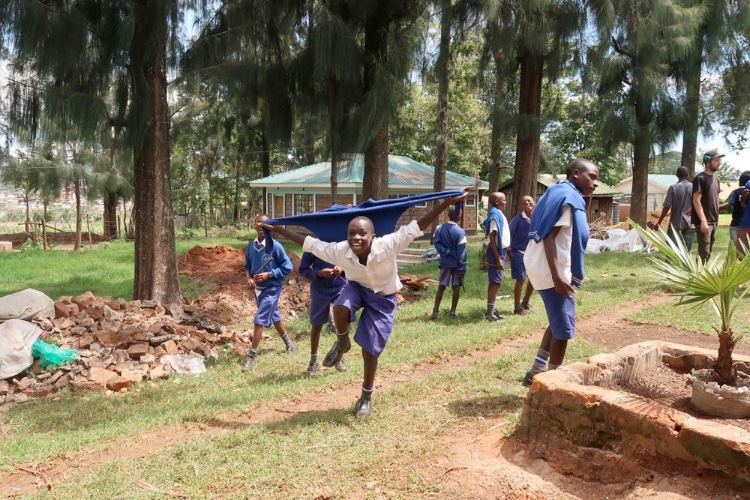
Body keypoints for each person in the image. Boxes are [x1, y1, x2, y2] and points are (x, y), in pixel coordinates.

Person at [265, 189, 469, 419]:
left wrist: (447, 203)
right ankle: (342, 342)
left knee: (370, 349)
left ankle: (366, 396)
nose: (356, 238)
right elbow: (310, 244)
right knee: (341, 306)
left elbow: (418, 225)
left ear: (372, 235)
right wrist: (279, 229)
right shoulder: (341, 250)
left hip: (383, 297)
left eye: (362, 234)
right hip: (358, 289)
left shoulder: (389, 244)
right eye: (352, 233)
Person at [522, 158, 599, 387]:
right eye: (592, 177)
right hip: (552, 271)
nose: (595, 183)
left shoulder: (555, 191)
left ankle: (536, 370)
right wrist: (557, 278)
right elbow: (549, 237)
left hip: (540, 266)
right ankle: (554, 383)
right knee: (564, 330)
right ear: (576, 173)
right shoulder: (568, 199)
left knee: (557, 321)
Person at [241, 214, 296, 372]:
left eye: (266, 224)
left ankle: (251, 357)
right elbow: (247, 266)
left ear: (271, 227)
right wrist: (249, 279)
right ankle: (289, 344)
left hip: (272, 289)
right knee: (274, 315)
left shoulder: (276, 247)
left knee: (259, 319)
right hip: (258, 290)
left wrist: (269, 274)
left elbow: (288, 267)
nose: (262, 226)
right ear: (254, 226)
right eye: (259, 223)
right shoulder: (251, 247)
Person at [298, 252, 349, 376]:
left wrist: (342, 267)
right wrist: (318, 273)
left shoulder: (343, 243)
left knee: (342, 321)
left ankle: (339, 355)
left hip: (339, 287)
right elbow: (303, 269)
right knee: (316, 325)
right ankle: (313, 360)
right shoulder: (312, 245)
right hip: (319, 289)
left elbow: (354, 262)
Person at [430, 206, 467, 320]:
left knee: (441, 286)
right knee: (456, 287)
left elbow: (437, 244)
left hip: (445, 262)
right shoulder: (461, 232)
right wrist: (462, 268)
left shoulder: (439, 228)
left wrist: (447, 252)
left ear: (448, 215)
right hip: (457, 264)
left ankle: (435, 312)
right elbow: (462, 252)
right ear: (459, 216)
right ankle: (452, 312)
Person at [482, 192, 511, 321]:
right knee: (495, 282)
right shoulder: (494, 215)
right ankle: (490, 314)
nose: (506, 202)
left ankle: (492, 311)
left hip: (502, 251)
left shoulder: (498, 213)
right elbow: (492, 239)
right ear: (497, 202)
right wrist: (498, 257)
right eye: (503, 200)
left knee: (497, 282)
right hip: (496, 252)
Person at [692, 149, 723, 263]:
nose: (719, 163)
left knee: (708, 250)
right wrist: (703, 220)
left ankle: (700, 272)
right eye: (716, 160)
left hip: (714, 220)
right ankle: (698, 276)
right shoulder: (700, 178)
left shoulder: (717, 179)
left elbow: (710, 199)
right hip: (705, 221)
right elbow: (696, 199)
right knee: (704, 251)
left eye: (719, 160)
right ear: (707, 162)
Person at [654, 166, 695, 252]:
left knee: (672, 249)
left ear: (677, 175)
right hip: (691, 223)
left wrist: (659, 222)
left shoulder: (673, 188)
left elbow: (666, 207)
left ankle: (670, 264)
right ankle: (684, 265)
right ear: (687, 175)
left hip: (676, 223)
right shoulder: (693, 187)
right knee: (687, 250)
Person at [507, 195, 535, 315]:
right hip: (519, 253)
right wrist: (509, 250)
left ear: (534, 202)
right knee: (520, 279)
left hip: (533, 253)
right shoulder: (518, 219)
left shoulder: (538, 218)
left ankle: (526, 301)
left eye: (529, 201)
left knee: (533, 279)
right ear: (521, 206)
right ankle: (517, 308)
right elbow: (508, 233)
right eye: (523, 202)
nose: (526, 203)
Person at [719, 170, 750, 245]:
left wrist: (712, 207)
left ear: (739, 182)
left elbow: (728, 204)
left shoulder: (736, 192)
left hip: (736, 223)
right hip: (747, 223)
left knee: (736, 248)